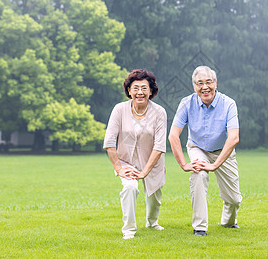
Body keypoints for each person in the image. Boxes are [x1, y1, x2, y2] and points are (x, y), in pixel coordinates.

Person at [168, 65, 242, 237]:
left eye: (208, 82)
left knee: (234, 199)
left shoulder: (228, 103)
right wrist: (184, 164)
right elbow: (173, 135)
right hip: (197, 148)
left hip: (223, 151)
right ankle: (200, 227)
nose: (204, 87)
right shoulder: (187, 103)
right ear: (194, 86)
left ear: (215, 83)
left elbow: (234, 138)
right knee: (199, 174)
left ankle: (228, 222)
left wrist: (215, 164)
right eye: (199, 83)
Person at [104, 69, 167, 240]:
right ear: (129, 91)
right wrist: (119, 168)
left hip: (152, 163)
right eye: (136, 88)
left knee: (154, 197)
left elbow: (160, 146)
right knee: (130, 188)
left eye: (144, 88)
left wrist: (145, 171)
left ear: (151, 91)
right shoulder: (119, 109)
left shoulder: (160, 112)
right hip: (126, 162)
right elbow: (109, 141)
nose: (140, 92)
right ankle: (129, 229)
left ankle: (152, 222)